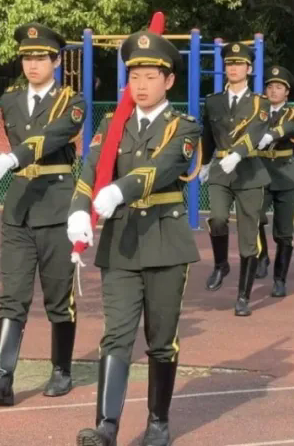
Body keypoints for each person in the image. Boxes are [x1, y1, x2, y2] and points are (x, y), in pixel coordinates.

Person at [68, 30, 202, 446]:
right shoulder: (113, 124)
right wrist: (79, 208)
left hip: (164, 240)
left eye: (150, 76)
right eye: (134, 76)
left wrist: (118, 190)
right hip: (121, 241)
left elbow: (162, 169)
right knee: (116, 335)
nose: (140, 85)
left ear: (169, 81)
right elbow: (92, 169)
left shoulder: (184, 127)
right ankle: (106, 426)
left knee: (161, 339)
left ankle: (158, 423)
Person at [0, 22, 85, 406]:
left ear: (56, 61)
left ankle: (62, 369)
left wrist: (12, 158)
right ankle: (2, 378)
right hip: (20, 207)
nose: (32, 64)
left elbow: (51, 137)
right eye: (26, 57)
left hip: (56, 203)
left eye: (40, 57)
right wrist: (15, 164)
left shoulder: (72, 101)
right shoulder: (9, 100)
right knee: (12, 296)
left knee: (58, 296)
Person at [199, 42, 271, 316]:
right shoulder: (213, 101)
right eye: (229, 63)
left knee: (248, 237)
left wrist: (238, 154)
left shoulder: (260, 103)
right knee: (217, 218)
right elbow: (208, 134)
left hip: (249, 171)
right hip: (221, 169)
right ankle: (221, 264)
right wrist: (205, 163)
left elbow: (256, 132)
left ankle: (243, 296)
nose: (233, 68)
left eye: (239, 64)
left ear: (249, 69)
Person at [254, 66, 294, 296]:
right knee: (253, 218)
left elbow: (292, 127)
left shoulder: (293, 113)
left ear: (286, 92)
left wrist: (272, 134)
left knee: (284, 232)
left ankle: (279, 279)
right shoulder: (258, 112)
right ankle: (262, 256)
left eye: (278, 87)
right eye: (270, 87)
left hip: (285, 175)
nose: (273, 91)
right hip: (260, 171)